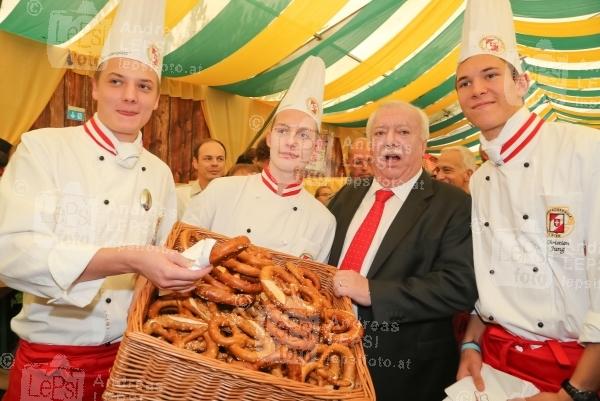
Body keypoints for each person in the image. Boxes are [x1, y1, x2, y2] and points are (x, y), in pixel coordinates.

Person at [0, 1, 211, 399]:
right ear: (94, 87)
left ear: (156, 97)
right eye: (116, 81)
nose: (130, 96)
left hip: (134, 361)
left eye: (144, 86)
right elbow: (11, 255)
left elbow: (161, 268)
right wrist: (129, 258)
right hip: (52, 363)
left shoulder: (160, 173)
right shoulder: (43, 149)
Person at [455, 1, 600, 400]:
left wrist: (575, 392)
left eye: (490, 75)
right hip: (498, 363)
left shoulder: (586, 150)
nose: (477, 89)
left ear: (522, 82)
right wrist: (471, 342)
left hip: (576, 368)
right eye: (464, 82)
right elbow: (489, 279)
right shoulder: (482, 178)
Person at [327, 100, 477, 401]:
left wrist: (374, 292)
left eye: (403, 132)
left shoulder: (453, 205)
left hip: (406, 372)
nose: (390, 140)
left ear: (423, 144)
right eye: (380, 133)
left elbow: (459, 285)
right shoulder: (349, 192)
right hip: (331, 356)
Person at [183, 56, 336, 262]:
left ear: (316, 147)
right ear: (270, 138)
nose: (291, 142)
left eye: (303, 135)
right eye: (283, 130)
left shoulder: (323, 220)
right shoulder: (221, 191)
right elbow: (180, 250)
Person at [176, 138, 226, 219]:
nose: (215, 163)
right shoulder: (180, 196)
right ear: (195, 162)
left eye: (220, 159)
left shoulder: (234, 197)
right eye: (208, 158)